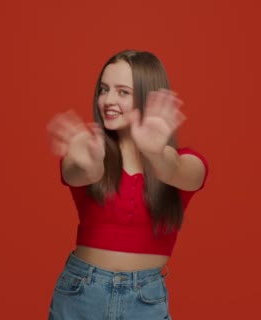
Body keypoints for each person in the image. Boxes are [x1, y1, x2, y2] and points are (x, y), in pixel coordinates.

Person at [46, 50, 208, 320]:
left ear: (148, 95)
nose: (108, 100)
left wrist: (155, 153)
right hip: (81, 295)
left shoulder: (184, 160)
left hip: (145, 301)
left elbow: (178, 171)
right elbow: (77, 173)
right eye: (104, 89)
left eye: (123, 92)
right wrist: (93, 163)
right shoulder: (86, 149)